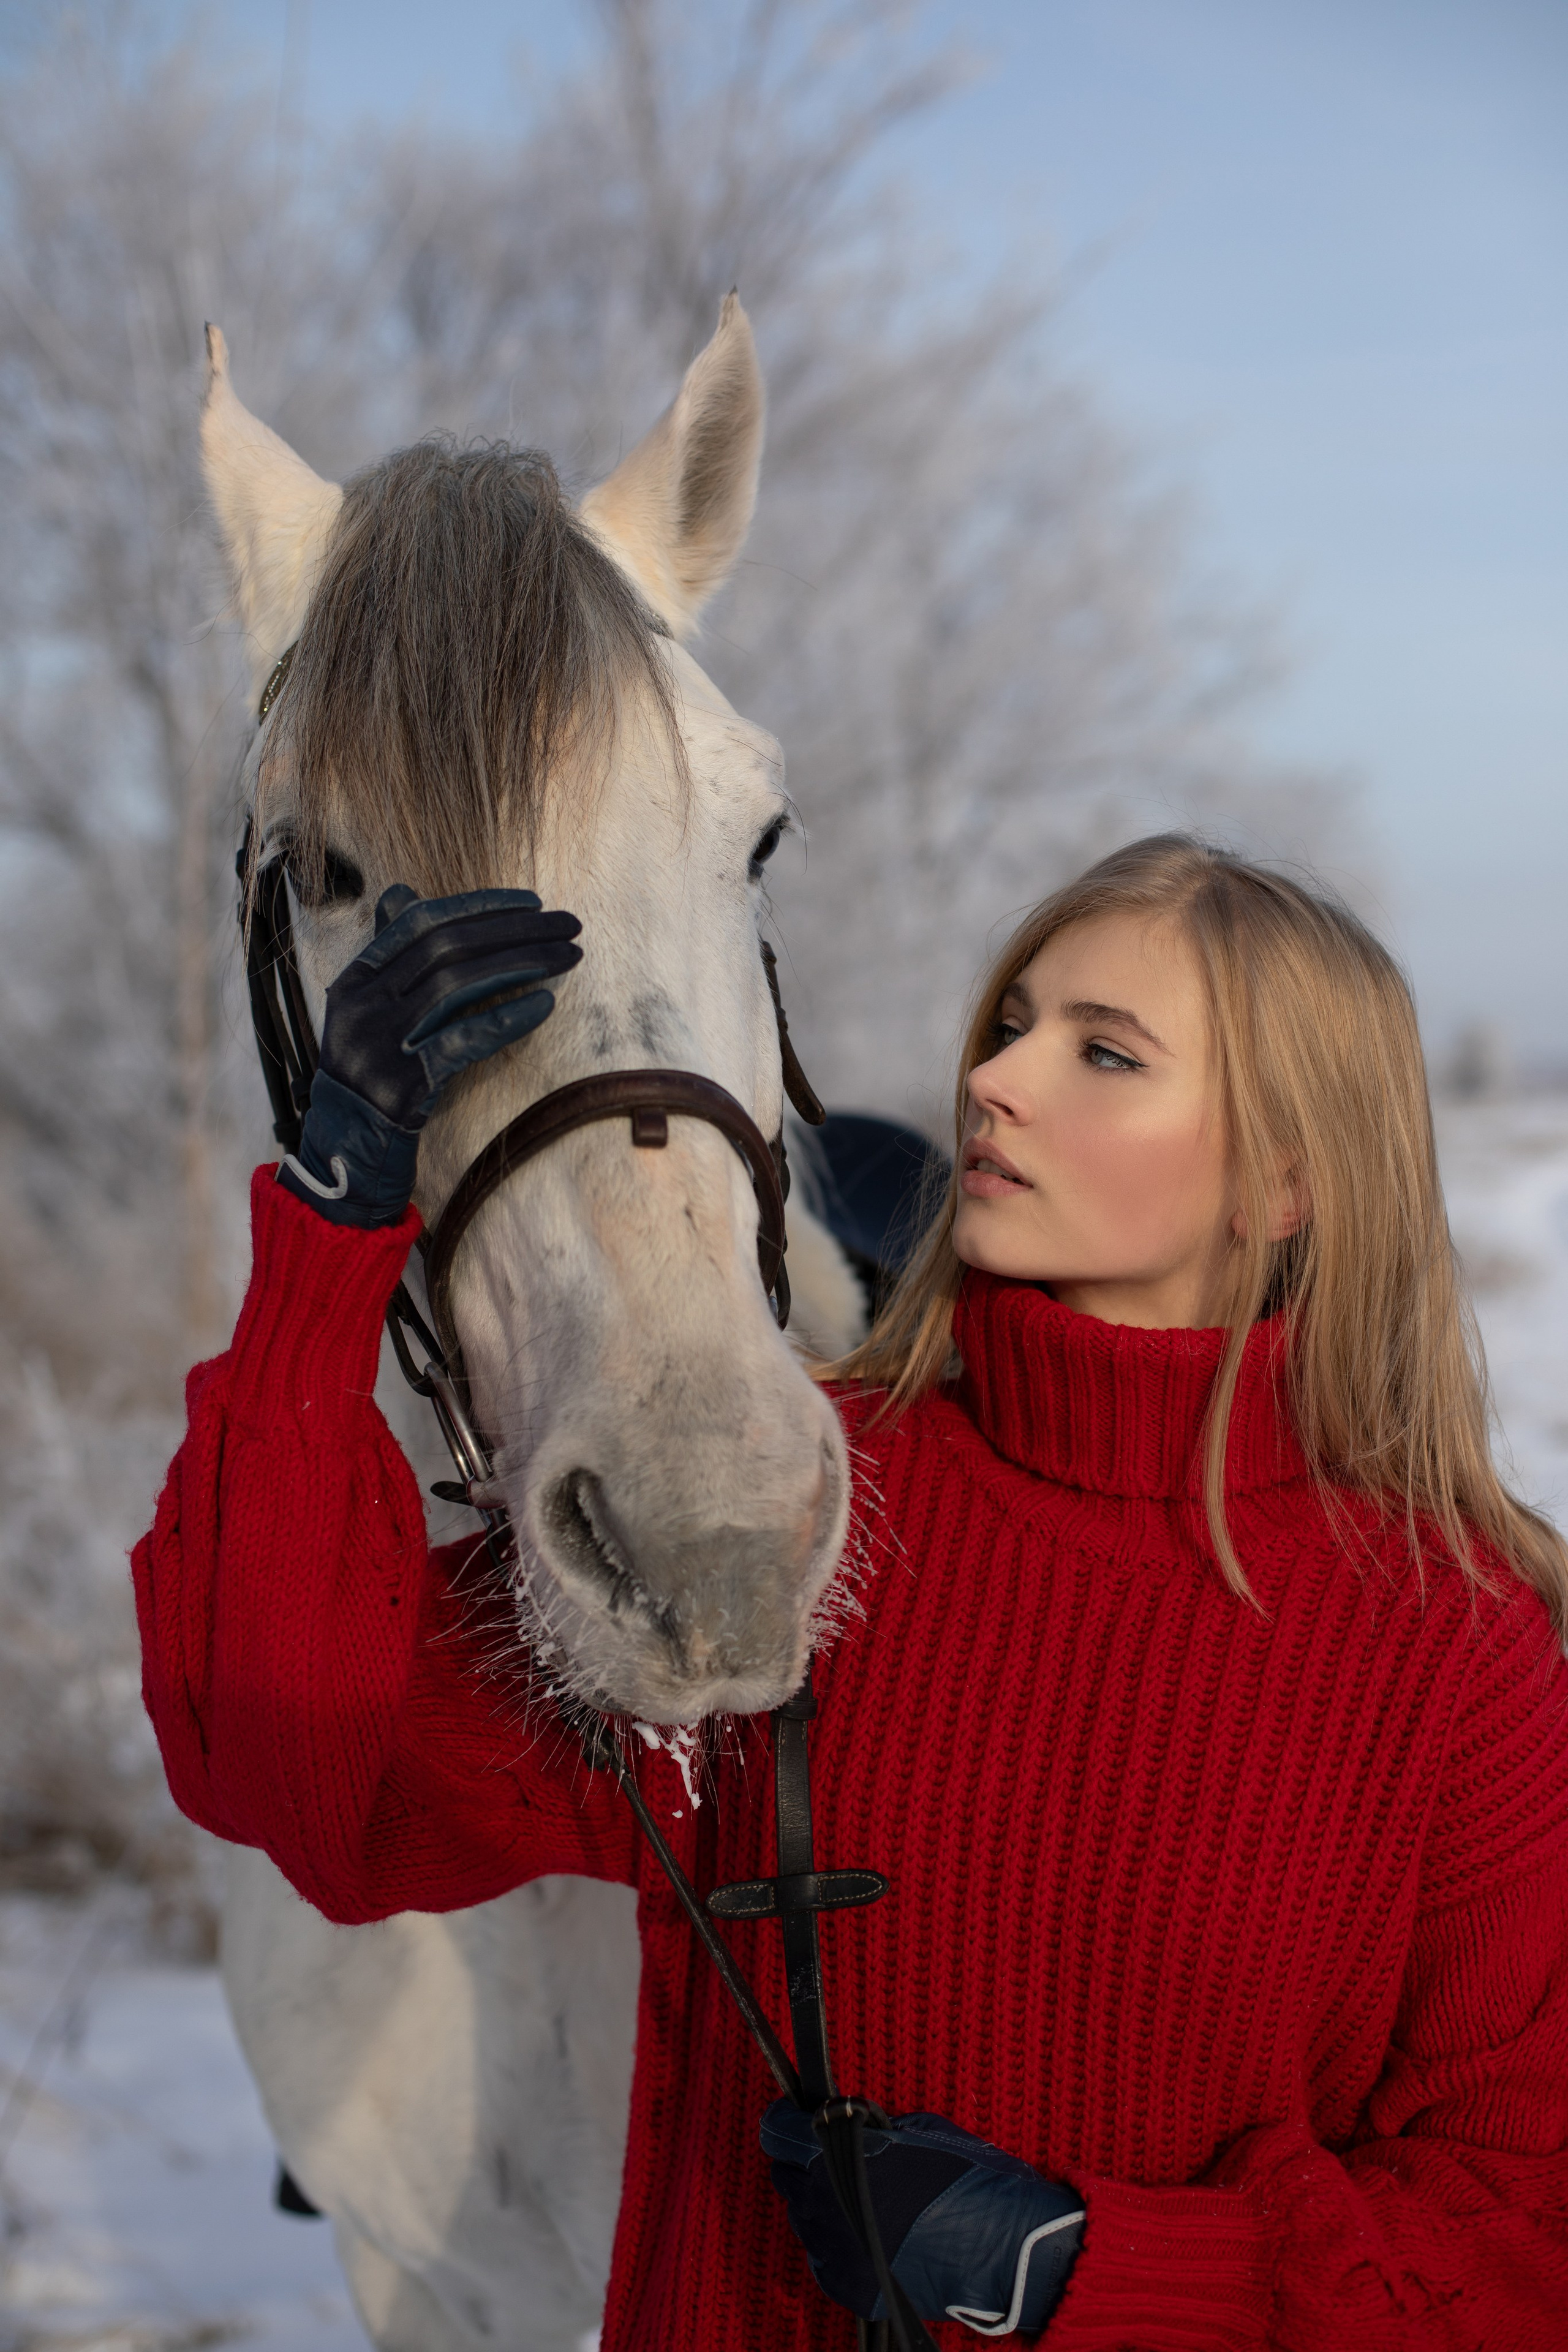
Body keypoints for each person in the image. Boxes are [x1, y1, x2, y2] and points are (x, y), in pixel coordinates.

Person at [133, 833, 1568, 2348]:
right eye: (1010, 1025)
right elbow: (294, 1770)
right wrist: (332, 1215)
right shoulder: (798, 1511)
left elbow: (1516, 2232)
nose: (996, 1083)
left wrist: (1090, 2270)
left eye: (1103, 1052)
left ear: (1281, 1180)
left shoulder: (1460, 1650)